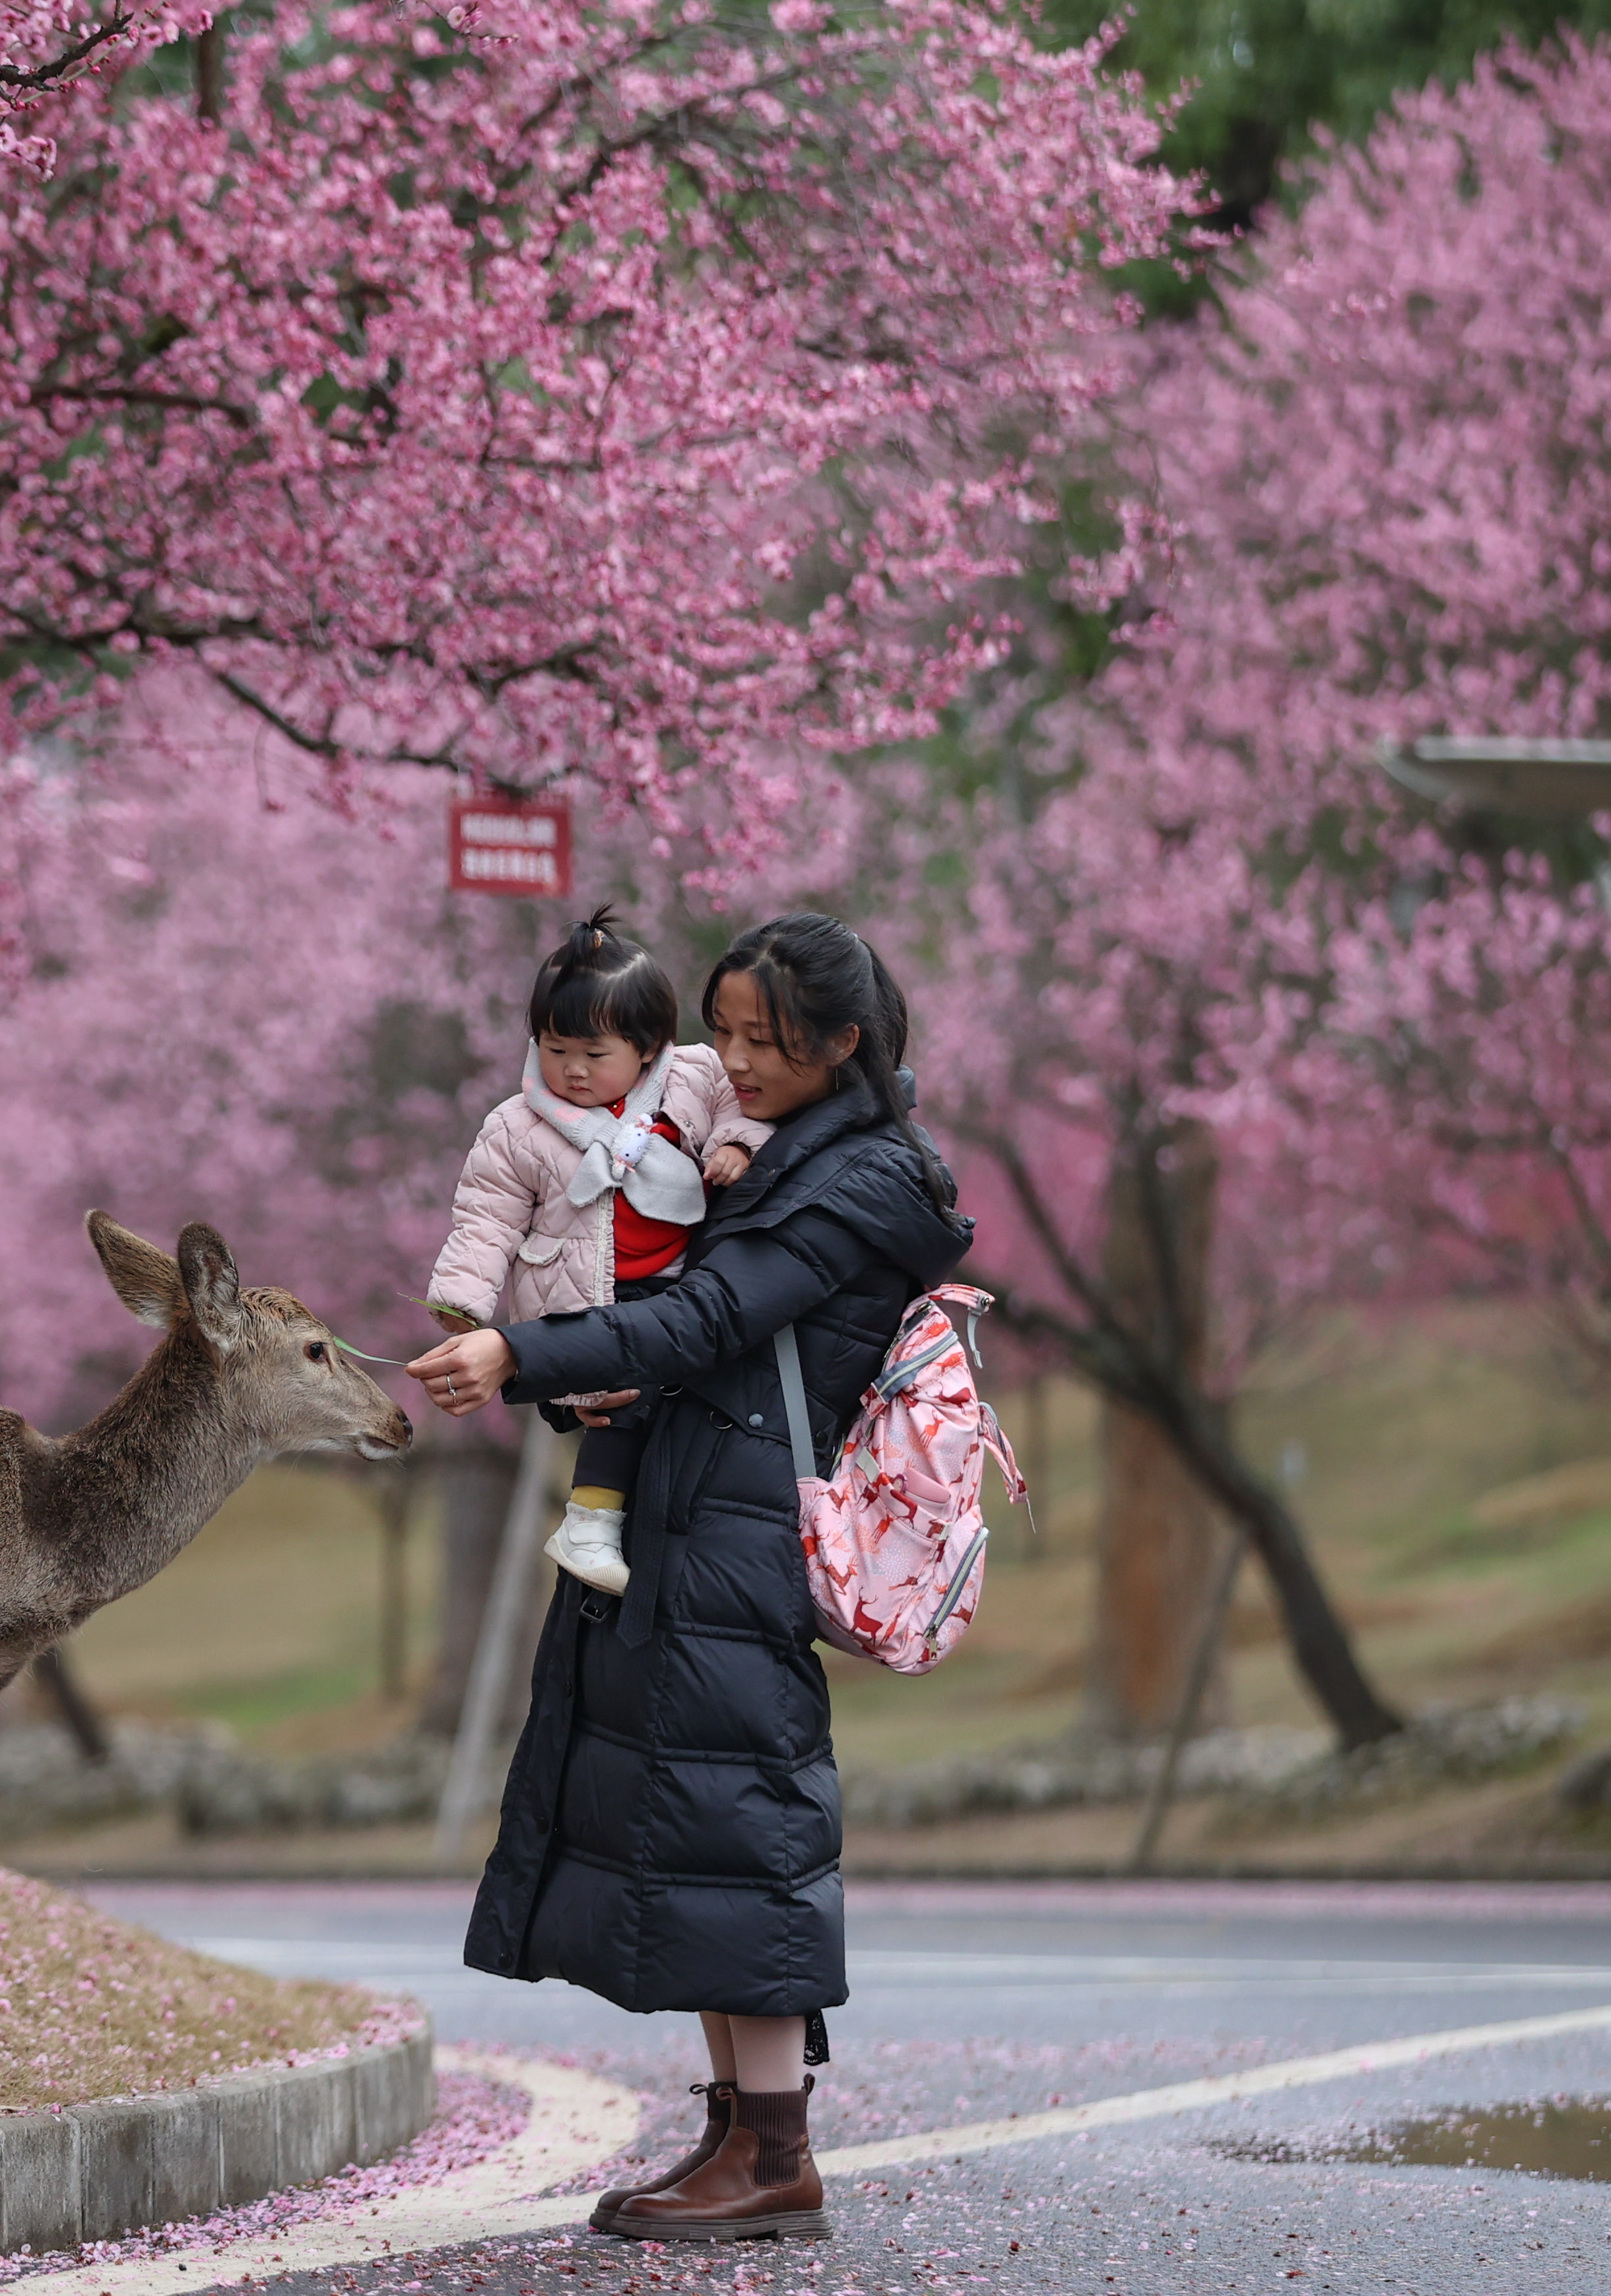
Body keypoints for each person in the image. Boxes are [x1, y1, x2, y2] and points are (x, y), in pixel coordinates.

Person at [405, 913, 973, 2246]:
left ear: (844, 1041)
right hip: (691, 1510)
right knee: (702, 1824)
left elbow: (708, 1321)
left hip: (740, 1531)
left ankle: (775, 2150)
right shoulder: (772, 1153)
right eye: (721, 1032)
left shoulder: (867, 1177)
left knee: (742, 1824)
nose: (734, 1057)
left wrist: (518, 1351)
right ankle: (736, 2128)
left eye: (765, 1039)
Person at [423, 909, 766, 1593]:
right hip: (583, 1296)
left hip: (676, 1283)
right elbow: (486, 1218)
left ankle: (635, 1526)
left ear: (647, 1048)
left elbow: (743, 1093)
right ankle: (588, 1521)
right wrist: (463, 1298)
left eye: (594, 1054)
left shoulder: (689, 1079)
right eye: (555, 1050)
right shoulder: (518, 1127)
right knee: (620, 1402)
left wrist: (734, 1143)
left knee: (677, 1404)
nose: (573, 1071)